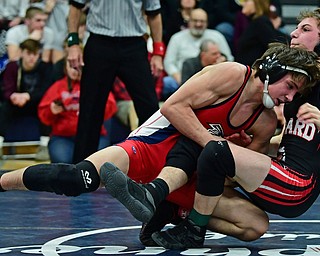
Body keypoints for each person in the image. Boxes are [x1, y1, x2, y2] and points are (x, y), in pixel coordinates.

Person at [0, 44, 317, 250]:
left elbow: (231, 180)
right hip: (152, 146)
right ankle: (2, 183)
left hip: (192, 174)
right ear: (271, 70)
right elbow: (173, 107)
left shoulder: (263, 123)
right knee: (75, 178)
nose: (289, 98)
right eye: (289, 86)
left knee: (255, 226)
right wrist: (217, 146)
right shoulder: (231, 74)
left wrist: (229, 158)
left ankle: (170, 209)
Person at [147, 9, 320, 249]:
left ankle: (193, 231)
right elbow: (298, 140)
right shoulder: (305, 83)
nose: (294, 32)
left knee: (216, 150)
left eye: (306, 29)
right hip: (282, 168)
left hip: (297, 184)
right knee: (250, 218)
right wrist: (254, 144)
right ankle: (175, 210)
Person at [67, 0, 163, 163]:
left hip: (134, 44)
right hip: (100, 43)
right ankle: (81, 170)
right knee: (90, 110)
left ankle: (151, 164)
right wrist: (73, 43)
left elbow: (154, 13)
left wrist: (158, 52)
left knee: (149, 107)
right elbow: (75, 7)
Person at [38, 59, 117, 163]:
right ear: (66, 67)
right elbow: (44, 115)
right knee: (63, 162)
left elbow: (111, 107)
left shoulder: (95, 84)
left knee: (98, 162)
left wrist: (95, 106)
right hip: (63, 137)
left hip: (93, 135)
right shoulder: (58, 87)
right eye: (71, 66)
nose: (75, 71)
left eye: (79, 67)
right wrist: (52, 110)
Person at [162, 8, 233, 99]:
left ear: (207, 23)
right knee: (165, 83)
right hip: (181, 78)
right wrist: (180, 78)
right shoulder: (177, 38)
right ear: (189, 21)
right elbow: (169, 62)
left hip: (213, 78)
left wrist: (222, 62)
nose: (198, 24)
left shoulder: (217, 36)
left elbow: (229, 59)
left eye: (202, 21)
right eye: (195, 21)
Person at [0, 38, 53, 141]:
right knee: (5, 108)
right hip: (16, 102)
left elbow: (46, 90)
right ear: (21, 53)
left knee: (46, 107)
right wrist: (13, 96)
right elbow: (5, 88)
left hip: (36, 102)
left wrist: (28, 96)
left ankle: (44, 144)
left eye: (35, 54)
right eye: (29, 53)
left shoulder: (45, 68)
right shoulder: (12, 66)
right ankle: (0, 141)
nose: (32, 58)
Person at [235, 0, 290, 66]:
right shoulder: (255, 22)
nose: (243, 4)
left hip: (252, 71)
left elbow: (273, 45)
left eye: (246, 1)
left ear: (257, 3)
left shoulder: (260, 22)